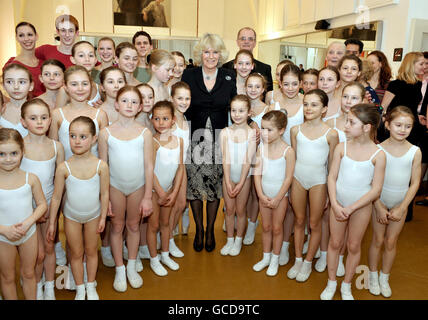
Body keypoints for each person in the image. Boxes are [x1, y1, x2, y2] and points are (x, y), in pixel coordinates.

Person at [321, 104, 386, 300]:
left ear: (366, 127)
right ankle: (331, 282)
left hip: (360, 208)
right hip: (338, 204)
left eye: (351, 122)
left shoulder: (378, 154)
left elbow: (376, 189)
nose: (346, 125)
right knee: (335, 242)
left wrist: (352, 207)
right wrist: (334, 202)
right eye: (347, 121)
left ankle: (347, 285)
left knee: (354, 245)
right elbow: (332, 177)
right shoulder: (342, 147)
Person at [182, 33, 237, 252]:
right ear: (200, 54)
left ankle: (211, 229)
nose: (211, 56)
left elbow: (234, 106)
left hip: (219, 137)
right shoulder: (189, 74)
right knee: (195, 188)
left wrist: (250, 124)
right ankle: (199, 230)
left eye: (215, 52)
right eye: (206, 51)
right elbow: (181, 102)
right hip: (194, 136)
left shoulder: (228, 76)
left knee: (214, 187)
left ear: (220, 54)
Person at [98, 86, 153, 292]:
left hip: (137, 186)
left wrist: (148, 196)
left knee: (133, 226)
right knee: (117, 226)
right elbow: (103, 165)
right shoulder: (106, 133)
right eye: (124, 101)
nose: (129, 105)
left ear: (140, 107)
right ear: (116, 104)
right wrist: (105, 198)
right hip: (114, 187)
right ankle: (119, 268)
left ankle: (131, 265)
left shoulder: (145, 133)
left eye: (133, 102)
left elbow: (149, 166)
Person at [47, 116, 109, 300]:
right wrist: (52, 223)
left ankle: (91, 285)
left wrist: (104, 217)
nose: (77, 141)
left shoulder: (101, 166)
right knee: (75, 253)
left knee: (91, 252)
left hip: (93, 216)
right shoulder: (63, 167)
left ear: (94, 138)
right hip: (71, 217)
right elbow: (57, 197)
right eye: (72, 136)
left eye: (83, 136)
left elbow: (104, 194)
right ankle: (80, 288)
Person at [368, 106, 421, 298]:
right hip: (379, 202)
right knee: (377, 240)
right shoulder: (378, 149)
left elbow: (415, 183)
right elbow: (371, 182)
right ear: (388, 124)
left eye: (407, 126)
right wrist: (379, 206)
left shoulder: (415, 151)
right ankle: (373, 276)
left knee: (391, 242)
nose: (402, 129)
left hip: (401, 203)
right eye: (398, 125)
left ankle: (384, 277)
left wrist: (402, 207)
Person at [288, 89, 338, 282]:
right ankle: (298, 259)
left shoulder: (331, 134)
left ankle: (309, 261)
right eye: (306, 104)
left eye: (314, 105)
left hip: (319, 181)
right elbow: (294, 158)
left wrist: (329, 192)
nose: (309, 108)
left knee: (314, 223)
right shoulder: (295, 130)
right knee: (299, 221)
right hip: (298, 179)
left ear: (324, 109)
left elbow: (333, 165)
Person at [317, 82, 366, 274]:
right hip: (329, 178)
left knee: (347, 220)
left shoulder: (364, 128)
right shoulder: (330, 123)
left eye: (354, 98)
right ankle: (324, 254)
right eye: (345, 96)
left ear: (362, 100)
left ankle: (340, 256)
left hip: (352, 182)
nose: (348, 101)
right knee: (326, 218)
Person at [20, 99, 65, 300]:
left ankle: (49, 286)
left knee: (48, 247)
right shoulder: (19, 147)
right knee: (35, 254)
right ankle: (36, 286)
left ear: (50, 121)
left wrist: (53, 215)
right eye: (33, 118)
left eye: (44, 117)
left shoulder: (57, 147)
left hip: (49, 206)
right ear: (23, 121)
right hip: (25, 209)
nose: (39, 122)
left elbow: (59, 183)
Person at [0, 128, 47, 300]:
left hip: (29, 234)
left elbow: (42, 204)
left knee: (28, 274)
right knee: (7, 277)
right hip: (3, 237)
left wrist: (29, 222)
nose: (8, 159)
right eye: (2, 154)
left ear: (22, 152)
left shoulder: (31, 178)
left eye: (13, 153)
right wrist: (4, 230)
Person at [381, 52, 424, 221]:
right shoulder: (396, 84)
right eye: (421, 63)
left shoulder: (418, 83)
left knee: (409, 173)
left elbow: (412, 106)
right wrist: (390, 125)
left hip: (412, 129)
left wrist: (417, 117)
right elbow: (383, 108)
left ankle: (404, 209)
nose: (424, 66)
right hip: (397, 129)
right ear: (411, 64)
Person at [253, 110, 295, 276]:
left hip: (280, 197)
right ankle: (265, 257)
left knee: (277, 228)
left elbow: (288, 178)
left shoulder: (288, 151)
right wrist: (261, 195)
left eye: (269, 129)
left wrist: (278, 198)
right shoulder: (261, 149)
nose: (264, 133)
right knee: (266, 226)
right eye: (262, 128)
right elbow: (257, 174)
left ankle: (275, 259)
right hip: (264, 194)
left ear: (281, 130)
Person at [147, 101, 183, 276]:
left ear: (173, 120)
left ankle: (165, 254)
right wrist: (160, 191)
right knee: (153, 226)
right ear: (152, 120)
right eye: (157, 119)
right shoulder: (152, 142)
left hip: (169, 190)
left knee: (166, 224)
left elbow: (180, 168)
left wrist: (174, 191)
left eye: (165, 118)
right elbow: (149, 170)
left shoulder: (179, 141)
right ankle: (154, 259)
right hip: (154, 191)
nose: (161, 123)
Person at [220, 95, 257, 256]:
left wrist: (241, 182)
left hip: (244, 178)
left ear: (249, 112)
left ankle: (238, 240)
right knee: (229, 210)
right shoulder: (225, 132)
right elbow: (225, 158)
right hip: (228, 177)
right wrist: (227, 181)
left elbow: (247, 161)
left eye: (241, 111)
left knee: (241, 211)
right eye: (234, 110)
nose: (237, 114)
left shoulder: (252, 134)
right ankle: (229, 239)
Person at [49, 65, 108, 160]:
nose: (80, 89)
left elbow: (104, 153)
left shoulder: (101, 115)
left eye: (85, 84)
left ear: (91, 85)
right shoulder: (57, 114)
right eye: (74, 84)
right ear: (65, 86)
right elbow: (53, 150)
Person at [242, 73, 268, 245]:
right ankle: (239, 219)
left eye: (257, 87)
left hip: (260, 156)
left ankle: (252, 223)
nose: (253, 90)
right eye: (250, 86)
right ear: (245, 88)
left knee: (255, 192)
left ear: (263, 89)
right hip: (242, 155)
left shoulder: (269, 108)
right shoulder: (240, 106)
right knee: (242, 189)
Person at [169, 82, 192, 256]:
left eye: (187, 98)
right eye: (180, 98)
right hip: (169, 168)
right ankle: (166, 240)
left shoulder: (185, 118)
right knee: (169, 207)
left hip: (182, 168)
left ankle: (168, 238)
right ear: (172, 99)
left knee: (181, 204)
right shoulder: (170, 121)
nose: (184, 102)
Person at [223, 27, 273, 92]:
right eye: (243, 39)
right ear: (237, 42)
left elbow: (268, 97)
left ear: (255, 43)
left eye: (250, 39)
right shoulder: (225, 67)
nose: (246, 42)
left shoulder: (265, 69)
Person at [55, 41, 102, 108]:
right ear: (73, 59)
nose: (87, 59)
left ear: (95, 60)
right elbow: (57, 116)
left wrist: (102, 108)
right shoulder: (65, 90)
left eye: (91, 55)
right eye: (81, 55)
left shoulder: (99, 85)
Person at [4, 22, 44, 97]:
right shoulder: (12, 66)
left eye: (30, 34)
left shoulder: (43, 62)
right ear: (16, 38)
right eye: (21, 35)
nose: (26, 39)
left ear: (36, 36)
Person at [1, 64, 33, 137]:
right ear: (3, 86)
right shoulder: (1, 110)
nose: (16, 87)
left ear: (31, 86)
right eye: (9, 82)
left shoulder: (39, 110)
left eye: (22, 82)